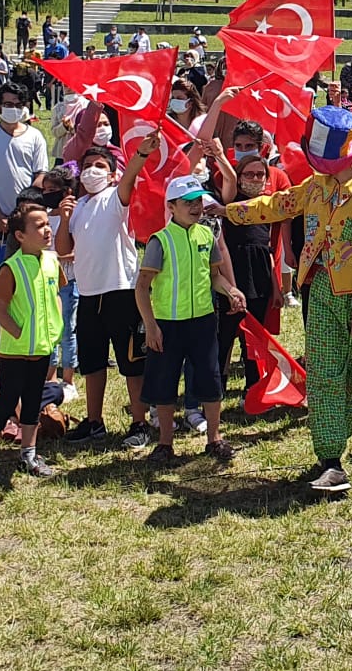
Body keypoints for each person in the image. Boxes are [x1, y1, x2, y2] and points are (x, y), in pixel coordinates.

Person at [226, 108, 352, 496]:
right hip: (319, 290)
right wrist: (229, 212)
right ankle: (331, 458)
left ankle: (337, 444)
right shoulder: (318, 185)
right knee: (323, 373)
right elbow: (279, 203)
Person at [136, 175, 246, 467]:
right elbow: (142, 286)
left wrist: (231, 290)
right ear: (171, 206)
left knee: (210, 379)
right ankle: (165, 444)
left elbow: (215, 277)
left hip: (203, 322)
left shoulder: (206, 236)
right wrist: (151, 325)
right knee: (165, 382)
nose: (195, 207)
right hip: (168, 324)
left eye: (197, 201)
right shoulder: (160, 241)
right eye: (187, 202)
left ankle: (214, 438)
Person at [58, 141, 151, 449]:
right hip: (88, 294)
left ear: (112, 175)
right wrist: (63, 216)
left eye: (101, 166)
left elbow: (129, 180)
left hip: (121, 292)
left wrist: (140, 155)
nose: (92, 171)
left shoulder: (115, 198)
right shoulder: (79, 206)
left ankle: (140, 422)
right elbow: (63, 249)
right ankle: (94, 420)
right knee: (92, 362)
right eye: (87, 166)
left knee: (131, 362)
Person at [0, 202, 70, 481]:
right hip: (15, 353)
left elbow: (58, 290)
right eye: (39, 226)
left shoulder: (52, 261)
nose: (46, 230)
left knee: (33, 402)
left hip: (42, 348)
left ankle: (29, 453)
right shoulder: (12, 268)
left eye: (47, 224)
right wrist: (17, 332)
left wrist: (56, 327)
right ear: (20, 236)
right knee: (7, 403)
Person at [211, 145, 279, 402]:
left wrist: (276, 286)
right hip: (234, 274)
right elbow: (227, 178)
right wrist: (218, 154)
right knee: (224, 335)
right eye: (248, 174)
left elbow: (269, 250)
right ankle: (215, 388)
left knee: (254, 339)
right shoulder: (231, 201)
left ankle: (253, 387)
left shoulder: (268, 206)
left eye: (260, 174)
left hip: (260, 276)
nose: (254, 179)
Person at [0, 81, 50, 290]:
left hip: (27, 216)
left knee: (30, 275)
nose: (12, 109)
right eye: (7, 104)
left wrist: (24, 207)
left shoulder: (35, 137)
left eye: (17, 104)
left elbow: (41, 173)